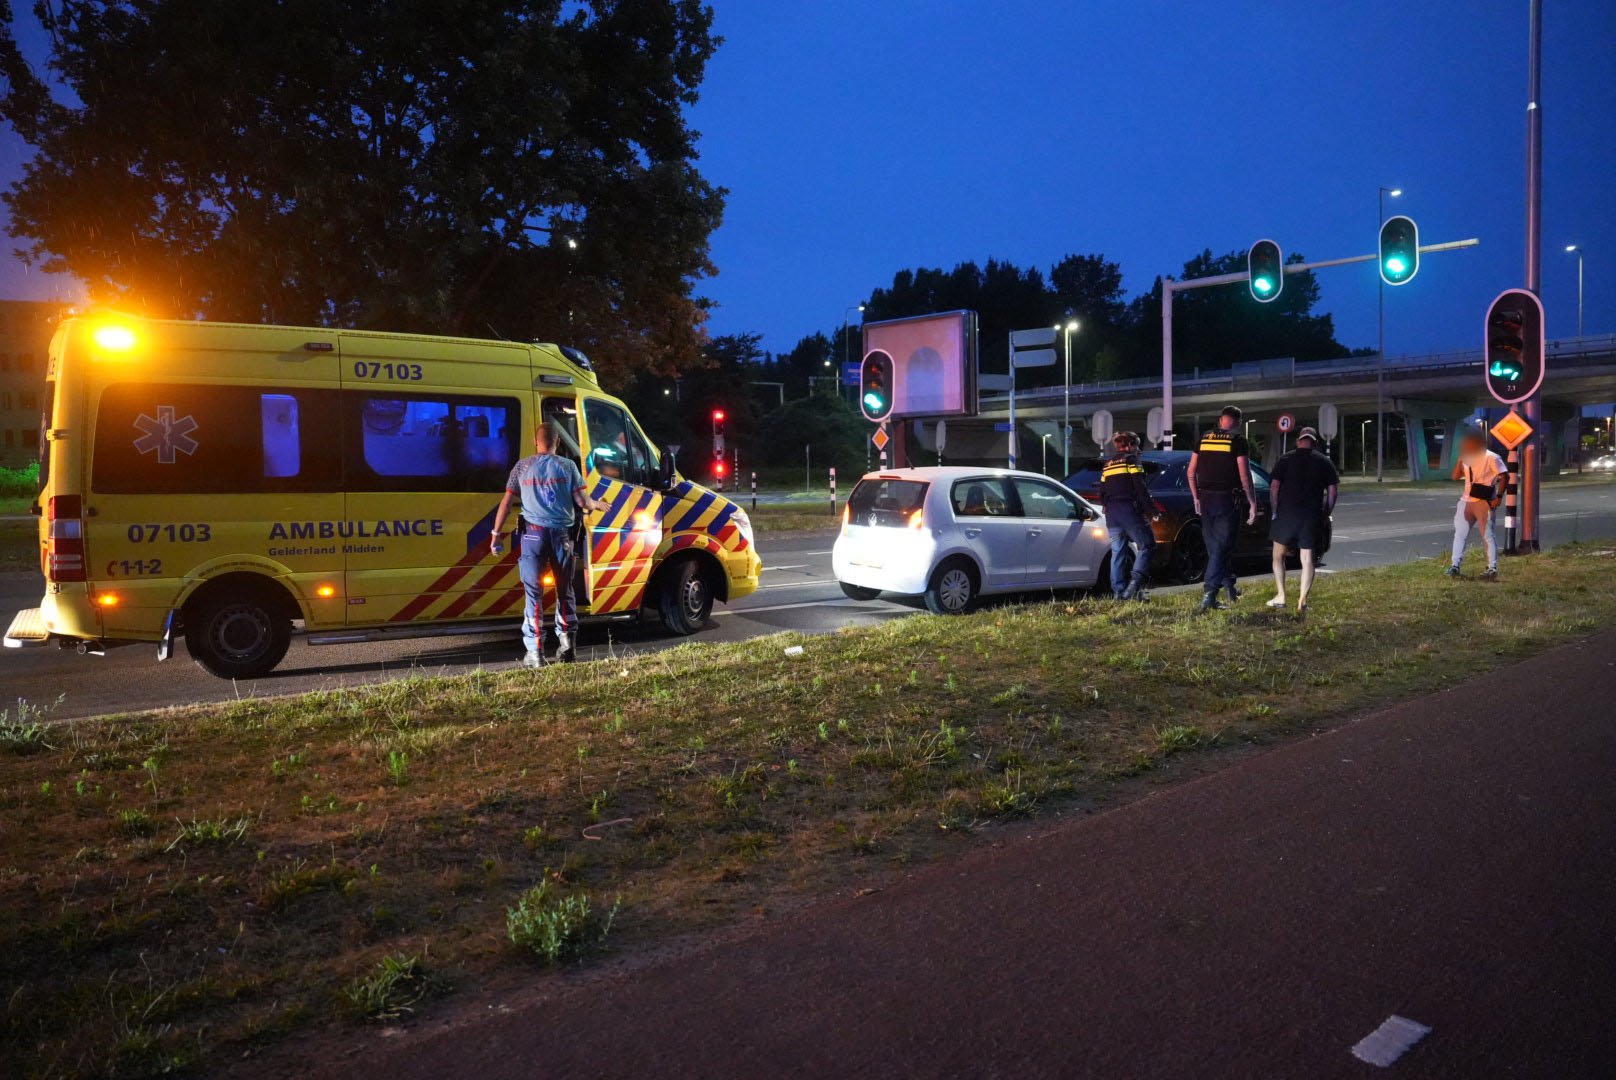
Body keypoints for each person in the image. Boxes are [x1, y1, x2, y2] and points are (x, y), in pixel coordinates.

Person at [491, 421, 607, 667]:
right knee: (564, 590)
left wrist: (496, 534)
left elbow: (506, 503)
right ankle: (567, 647)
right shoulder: (567, 466)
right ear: (558, 442)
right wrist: (599, 505)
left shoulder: (522, 467)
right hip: (561, 537)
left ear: (536, 442)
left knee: (534, 594)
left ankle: (535, 653)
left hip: (533, 536)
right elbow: (583, 502)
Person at [1187, 406, 1258, 613]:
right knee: (1222, 547)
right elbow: (1244, 475)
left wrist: (1196, 497)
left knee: (1215, 547)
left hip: (1206, 498)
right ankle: (1209, 594)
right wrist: (1252, 502)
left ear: (1221, 420)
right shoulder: (1237, 441)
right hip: (1227, 499)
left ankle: (1230, 588)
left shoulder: (1204, 439)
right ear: (1238, 422)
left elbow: (1191, 472)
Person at [1266, 426, 1339, 614]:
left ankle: (1281, 596)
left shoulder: (1285, 459)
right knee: (1307, 559)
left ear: (1298, 441)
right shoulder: (1324, 462)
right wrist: (1325, 513)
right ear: (1315, 443)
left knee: (1278, 555)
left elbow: (1274, 488)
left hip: (1286, 515)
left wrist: (1275, 510)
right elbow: (1332, 493)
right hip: (1311, 516)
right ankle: (1302, 601)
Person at [1097, 431, 1159, 600]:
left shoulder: (1108, 465)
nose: (1138, 449)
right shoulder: (1131, 461)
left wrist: (1108, 506)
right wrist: (1152, 510)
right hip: (1130, 513)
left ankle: (1118, 592)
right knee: (1147, 545)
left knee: (1118, 553)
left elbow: (1101, 492)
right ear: (1130, 445)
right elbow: (1140, 487)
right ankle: (1134, 586)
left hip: (1113, 515)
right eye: (1137, 445)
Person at [1448, 428, 1505, 581]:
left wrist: (1499, 496)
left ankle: (1492, 567)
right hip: (1466, 501)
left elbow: (1504, 476)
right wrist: (1460, 459)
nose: (1465, 445)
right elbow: (1455, 476)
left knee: (1487, 535)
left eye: (1468, 443)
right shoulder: (1466, 457)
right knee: (1460, 534)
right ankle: (1455, 565)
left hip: (1484, 501)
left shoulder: (1492, 457)